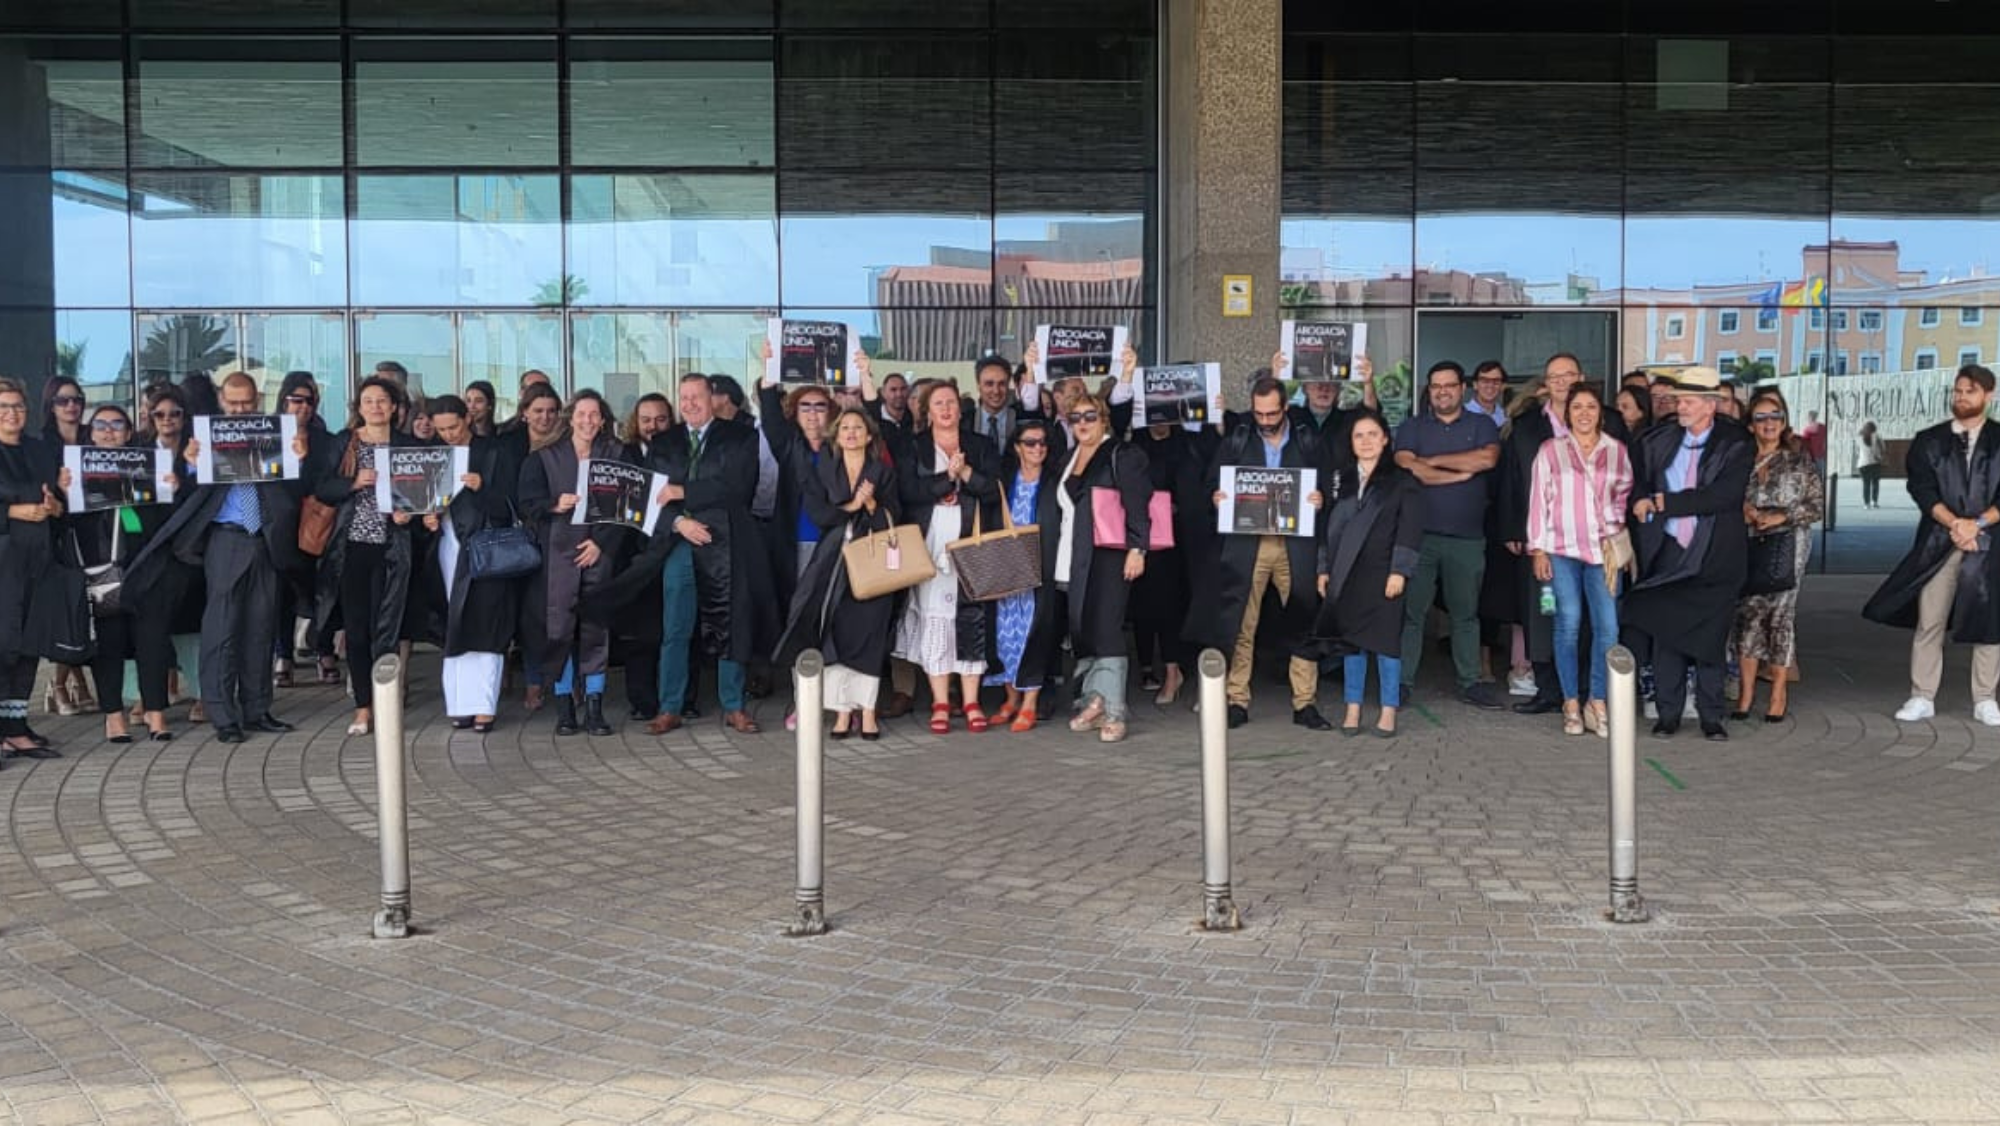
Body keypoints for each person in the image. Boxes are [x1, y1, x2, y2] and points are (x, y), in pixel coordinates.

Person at [119, 372, 309, 743]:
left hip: (265, 538)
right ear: (221, 400)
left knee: (261, 629)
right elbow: (181, 493)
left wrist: (298, 459)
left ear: (257, 400)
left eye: (246, 402)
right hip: (226, 537)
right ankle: (222, 713)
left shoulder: (275, 433)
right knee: (222, 629)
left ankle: (257, 709)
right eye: (233, 402)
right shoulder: (203, 436)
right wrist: (191, 465)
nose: (239, 409)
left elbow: (295, 491)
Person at [626, 372, 777, 736]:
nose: (690, 404)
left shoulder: (741, 436)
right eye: (684, 397)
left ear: (713, 399)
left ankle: (734, 705)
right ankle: (670, 707)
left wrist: (683, 492)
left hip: (726, 543)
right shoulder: (664, 442)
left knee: (729, 625)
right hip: (680, 541)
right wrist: (680, 523)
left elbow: (738, 488)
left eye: (697, 396)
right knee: (676, 628)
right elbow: (650, 497)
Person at [1864, 364, 2000, 725]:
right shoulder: (1930, 440)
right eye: (1958, 391)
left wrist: (1977, 524)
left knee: (1989, 620)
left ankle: (1985, 698)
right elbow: (1922, 489)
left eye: (1970, 391)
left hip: (1988, 542)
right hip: (1939, 543)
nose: (1962, 397)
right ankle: (1922, 696)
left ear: (1989, 395)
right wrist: (1956, 524)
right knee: (1930, 619)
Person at [1194, 375, 1331, 731]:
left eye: (1272, 414)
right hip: (1248, 542)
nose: (1265, 420)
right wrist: (1217, 498)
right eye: (1259, 414)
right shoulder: (1238, 438)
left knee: (1303, 618)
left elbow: (1330, 485)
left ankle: (1305, 702)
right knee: (1241, 621)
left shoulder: (1307, 440)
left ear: (1285, 408)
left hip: (1295, 542)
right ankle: (1236, 700)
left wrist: (1320, 499)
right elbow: (1209, 484)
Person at [1625, 366, 1752, 741]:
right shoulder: (1658, 439)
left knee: (1710, 638)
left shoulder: (1736, 442)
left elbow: (1725, 496)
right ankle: (1668, 714)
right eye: (1679, 400)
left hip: (1714, 553)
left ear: (1710, 405)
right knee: (1667, 636)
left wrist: (1666, 503)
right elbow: (1639, 482)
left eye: (1688, 401)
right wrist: (1640, 500)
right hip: (1668, 550)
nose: (1679, 406)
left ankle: (1712, 716)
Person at [774, 407, 901, 740]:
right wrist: (853, 506)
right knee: (836, 634)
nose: (851, 433)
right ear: (837, 436)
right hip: (833, 562)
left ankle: (868, 711)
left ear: (869, 436)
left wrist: (871, 505)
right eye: (845, 428)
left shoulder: (882, 472)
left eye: (858, 427)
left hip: (873, 561)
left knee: (870, 635)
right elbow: (819, 514)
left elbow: (894, 518)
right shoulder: (825, 469)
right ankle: (843, 712)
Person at [312, 376, 427, 737]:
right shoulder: (344, 442)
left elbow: (425, 497)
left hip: (394, 548)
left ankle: (387, 702)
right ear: (359, 407)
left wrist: (411, 516)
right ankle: (363, 707)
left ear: (394, 408)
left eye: (382, 401)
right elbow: (321, 487)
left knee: (388, 630)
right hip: (351, 547)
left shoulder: (408, 446)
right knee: (357, 631)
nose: (376, 407)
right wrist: (352, 483)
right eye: (368, 401)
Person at [1394, 361, 1506, 708]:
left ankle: (1470, 682)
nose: (1442, 391)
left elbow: (1487, 460)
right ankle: (1400, 682)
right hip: (1418, 537)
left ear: (1462, 388)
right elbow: (1407, 465)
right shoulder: (1412, 427)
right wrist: (1457, 473)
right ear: (1429, 390)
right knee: (1411, 614)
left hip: (1467, 538)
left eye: (1449, 385)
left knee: (1465, 614)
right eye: (1436, 386)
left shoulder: (1482, 424)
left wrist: (1431, 461)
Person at [1525, 384, 1633, 738]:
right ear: (1567, 413)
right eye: (1577, 407)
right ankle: (1570, 700)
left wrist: (1613, 528)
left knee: (1608, 628)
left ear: (1600, 413)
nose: (1584, 413)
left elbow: (1624, 494)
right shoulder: (1550, 450)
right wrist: (1538, 549)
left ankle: (1597, 700)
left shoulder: (1616, 451)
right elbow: (1538, 500)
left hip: (1603, 552)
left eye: (1591, 407)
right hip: (1561, 548)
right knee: (1568, 623)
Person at [1042, 393, 1150, 742]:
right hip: (1072, 556)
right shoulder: (1068, 457)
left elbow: (1138, 503)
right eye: (1075, 418)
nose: (1083, 424)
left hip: (1110, 555)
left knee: (1107, 629)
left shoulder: (1121, 454)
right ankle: (1093, 701)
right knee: (1084, 629)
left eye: (1090, 416)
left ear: (1104, 418)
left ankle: (1114, 710)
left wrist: (1138, 548)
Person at [518, 390, 626, 737]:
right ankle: (564, 706)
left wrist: (602, 544)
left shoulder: (618, 456)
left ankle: (594, 707)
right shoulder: (544, 458)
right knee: (559, 629)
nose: (587, 421)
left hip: (599, 551)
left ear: (603, 420)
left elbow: (629, 508)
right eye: (582, 414)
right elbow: (526, 503)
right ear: (571, 418)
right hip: (557, 554)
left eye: (594, 415)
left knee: (596, 627)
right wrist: (553, 504)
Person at [896, 380, 1002, 733]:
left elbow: (994, 490)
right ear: (927, 411)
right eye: (938, 403)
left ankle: (971, 701)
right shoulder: (914, 446)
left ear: (961, 408)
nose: (946, 409)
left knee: (972, 616)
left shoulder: (981, 445)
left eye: (951, 402)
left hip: (972, 541)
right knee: (935, 619)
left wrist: (967, 473)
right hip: (930, 544)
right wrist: (947, 478)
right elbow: (909, 491)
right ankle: (940, 702)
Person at [73, 404, 176, 743]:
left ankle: (156, 712)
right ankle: (113, 716)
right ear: (91, 433)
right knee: (109, 643)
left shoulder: (146, 466)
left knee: (152, 641)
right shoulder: (77, 470)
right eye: (101, 425)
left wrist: (170, 489)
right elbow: (67, 522)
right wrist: (64, 490)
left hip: (145, 567)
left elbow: (165, 522)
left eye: (117, 424)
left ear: (129, 432)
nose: (109, 431)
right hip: (101, 569)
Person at [1315, 413, 1421, 737]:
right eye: (1359, 435)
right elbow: (1327, 530)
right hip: (1346, 574)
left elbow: (1410, 529)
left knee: (1386, 644)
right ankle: (1353, 708)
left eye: (1373, 434)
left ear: (1385, 439)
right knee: (1351, 645)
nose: (1366, 441)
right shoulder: (1340, 481)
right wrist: (1323, 568)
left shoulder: (1402, 480)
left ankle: (1388, 711)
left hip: (1385, 574)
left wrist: (1399, 571)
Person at [1730, 391, 1824, 724]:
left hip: (1788, 543)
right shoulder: (1740, 460)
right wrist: (1744, 510)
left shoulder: (1798, 461)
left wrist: (1781, 516)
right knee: (1748, 616)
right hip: (1747, 542)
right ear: (1751, 424)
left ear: (1783, 423)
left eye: (1775, 416)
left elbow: (1816, 506)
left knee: (1780, 616)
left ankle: (1778, 694)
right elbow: (1725, 497)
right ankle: (1745, 694)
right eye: (1761, 417)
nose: (1769, 423)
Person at [427, 396, 517, 732]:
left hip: (485, 545)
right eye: (441, 430)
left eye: (453, 427)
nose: (448, 435)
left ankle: (484, 705)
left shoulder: (495, 451)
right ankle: (459, 703)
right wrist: (427, 519)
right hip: (448, 542)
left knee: (486, 620)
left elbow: (510, 504)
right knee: (455, 621)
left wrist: (483, 488)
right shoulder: (433, 455)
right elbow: (422, 501)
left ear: (467, 418)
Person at [1125, 401, 1223, 707]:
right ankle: (1166, 670)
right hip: (1154, 538)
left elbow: (1216, 467)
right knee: (1158, 603)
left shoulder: (1192, 441)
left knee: (1193, 602)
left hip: (1191, 536)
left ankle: (1199, 677)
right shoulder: (1137, 444)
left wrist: (1216, 419)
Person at [0, 377, 65, 760]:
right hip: (4, 560)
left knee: (29, 643)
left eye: (18, 406)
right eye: (4, 407)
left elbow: (57, 499)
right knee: (2, 642)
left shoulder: (39, 450)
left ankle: (16, 726)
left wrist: (54, 507)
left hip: (38, 558)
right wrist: (12, 511)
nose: (12, 413)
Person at [986, 419, 1053, 731]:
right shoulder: (1005, 481)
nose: (1037, 448)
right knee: (1004, 633)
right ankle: (1011, 697)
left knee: (1033, 634)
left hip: (1040, 568)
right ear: (1017, 448)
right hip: (1007, 568)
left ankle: (1030, 703)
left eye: (1042, 442)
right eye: (1030, 443)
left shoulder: (1053, 480)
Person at [274, 370, 335, 689]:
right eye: (296, 400)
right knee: (282, 591)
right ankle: (283, 654)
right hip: (280, 523)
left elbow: (328, 480)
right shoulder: (269, 436)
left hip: (315, 524)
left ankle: (324, 650)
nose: (303, 407)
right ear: (283, 400)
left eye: (310, 401)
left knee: (320, 588)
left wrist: (305, 459)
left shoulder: (323, 439)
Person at [36, 374, 93, 717]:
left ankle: (76, 683)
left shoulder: (92, 437)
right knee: (68, 610)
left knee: (87, 609)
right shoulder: (42, 445)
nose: (71, 406)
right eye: (63, 400)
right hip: (58, 536)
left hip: (93, 530)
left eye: (77, 399)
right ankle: (58, 685)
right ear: (51, 405)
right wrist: (57, 491)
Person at [511, 382, 565, 711]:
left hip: (558, 539)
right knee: (529, 616)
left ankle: (564, 680)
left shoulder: (567, 444)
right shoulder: (510, 446)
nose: (545, 417)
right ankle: (533, 680)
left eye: (551, 411)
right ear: (524, 414)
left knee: (562, 614)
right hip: (519, 541)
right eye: (538, 411)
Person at [966, 356, 1020, 458]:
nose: (996, 391)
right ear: (978, 385)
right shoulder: (964, 423)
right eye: (989, 384)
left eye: (1002, 384)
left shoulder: (1020, 422)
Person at [1465, 360, 1508, 424]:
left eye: (1496, 381)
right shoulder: (1460, 414)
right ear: (1475, 384)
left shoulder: (1505, 417)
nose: (1490, 386)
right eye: (1485, 381)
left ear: (1503, 386)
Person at [1856, 420, 1887, 509]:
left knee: (1866, 484)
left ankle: (1866, 504)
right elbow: (1883, 448)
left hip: (1863, 463)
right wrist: (1880, 456)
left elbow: (1857, 451)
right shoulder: (1877, 436)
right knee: (1875, 483)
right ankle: (1874, 501)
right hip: (1875, 462)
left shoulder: (1859, 437)